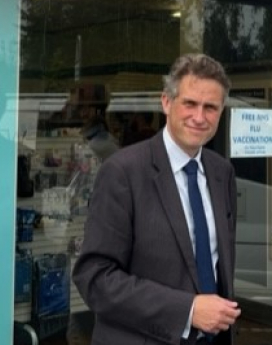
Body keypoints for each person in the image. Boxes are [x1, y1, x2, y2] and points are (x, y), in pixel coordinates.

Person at [72, 54, 241, 345]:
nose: (199, 117)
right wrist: (186, 310)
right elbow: (95, 278)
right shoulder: (123, 172)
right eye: (189, 103)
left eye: (210, 107)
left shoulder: (221, 173)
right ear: (166, 102)